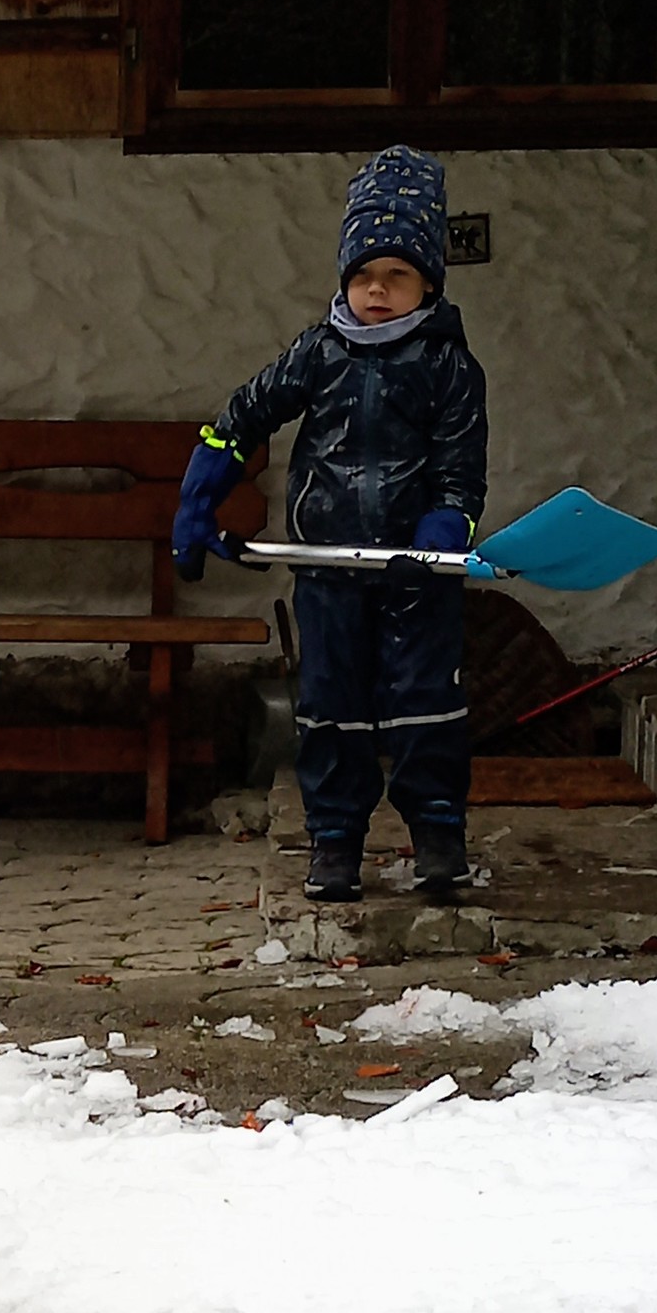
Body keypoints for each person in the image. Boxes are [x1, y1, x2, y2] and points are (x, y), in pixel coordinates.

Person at [172, 146, 486, 902]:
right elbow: (242, 419)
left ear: (428, 283)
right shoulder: (319, 353)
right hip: (330, 567)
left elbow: (460, 466)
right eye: (363, 274)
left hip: (416, 573)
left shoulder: (447, 366)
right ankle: (336, 841)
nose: (378, 290)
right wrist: (201, 497)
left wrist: (447, 525)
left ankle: (438, 836)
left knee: (425, 706)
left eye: (398, 274)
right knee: (331, 709)